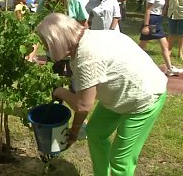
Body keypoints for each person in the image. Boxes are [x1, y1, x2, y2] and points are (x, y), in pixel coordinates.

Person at [37, 13, 167, 176]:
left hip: (144, 98)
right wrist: (75, 132)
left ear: (58, 41)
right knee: (96, 133)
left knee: (120, 160)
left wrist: (59, 91)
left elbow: (82, 105)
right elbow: (83, 100)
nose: (46, 50)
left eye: (46, 45)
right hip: (120, 96)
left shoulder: (87, 57)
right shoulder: (85, 40)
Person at [38, 0, 88, 80]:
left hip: (74, 52)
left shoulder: (73, 0)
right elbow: (39, 26)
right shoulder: (43, 3)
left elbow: (84, 25)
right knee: (54, 83)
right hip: (53, 53)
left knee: (75, 84)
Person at [139, 0, 183, 76]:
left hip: (157, 20)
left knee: (164, 45)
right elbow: (148, 9)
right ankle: (130, 63)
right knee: (142, 45)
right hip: (152, 21)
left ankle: (169, 68)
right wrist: (146, 25)